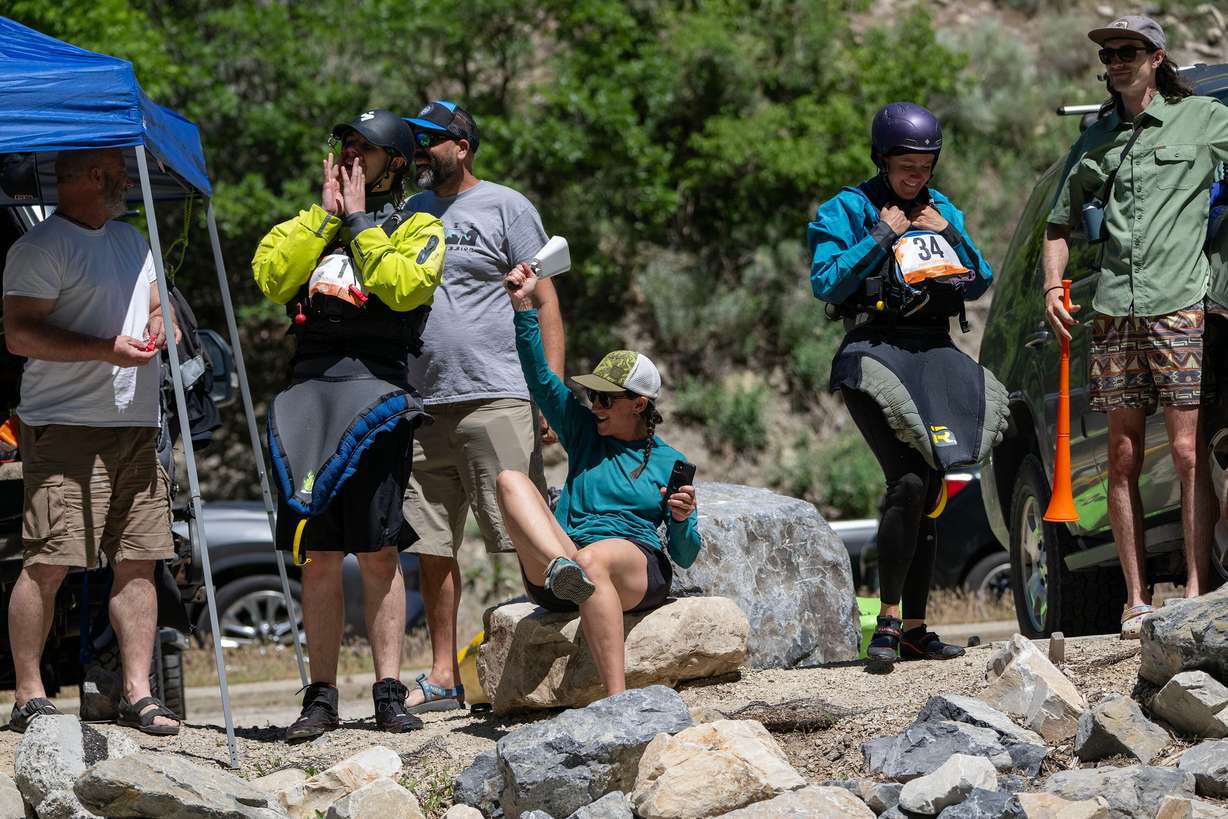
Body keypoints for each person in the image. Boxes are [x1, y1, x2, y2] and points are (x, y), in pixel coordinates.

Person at [251, 109, 444, 741]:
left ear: (394, 161)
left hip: (378, 395)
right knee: (321, 553)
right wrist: (327, 217)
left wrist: (361, 224)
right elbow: (272, 277)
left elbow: (406, 289)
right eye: (347, 147)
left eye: (366, 148)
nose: (354, 156)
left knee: (380, 547)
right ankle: (322, 695)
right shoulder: (307, 225)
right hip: (311, 393)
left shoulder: (420, 224)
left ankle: (390, 692)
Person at [1043, 16, 1228, 637]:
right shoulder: (1097, 139)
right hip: (1115, 310)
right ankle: (1136, 599)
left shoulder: (1202, 120)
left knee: (1185, 451)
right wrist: (1051, 284)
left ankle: (1200, 590)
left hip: (1180, 303)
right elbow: (1057, 221)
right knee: (1121, 456)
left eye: (1128, 51)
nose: (1116, 60)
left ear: (1157, 56)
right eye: (1109, 53)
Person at [809, 102, 1001, 665]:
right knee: (908, 482)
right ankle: (888, 621)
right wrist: (879, 234)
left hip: (933, 352)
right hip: (874, 349)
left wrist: (951, 235)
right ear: (882, 159)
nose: (916, 176)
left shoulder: (941, 208)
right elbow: (826, 281)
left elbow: (977, 281)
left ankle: (916, 628)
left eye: (925, 166)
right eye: (905, 166)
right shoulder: (845, 208)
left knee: (934, 484)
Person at [3, 148, 180, 734]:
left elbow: (162, 310)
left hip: (136, 424)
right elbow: (20, 333)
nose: (126, 182)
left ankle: (137, 691)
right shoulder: (39, 246)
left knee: (140, 560)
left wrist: (162, 324)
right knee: (49, 561)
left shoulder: (132, 240)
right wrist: (106, 349)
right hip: (66, 427)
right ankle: (29, 693)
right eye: (116, 174)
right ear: (87, 179)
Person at [398, 100, 565, 712]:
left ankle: (554, 657)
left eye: (430, 141)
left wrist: (548, 390)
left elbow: (545, 299)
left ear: (461, 147)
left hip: (497, 394)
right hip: (422, 404)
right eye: (414, 140)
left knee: (524, 532)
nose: (419, 151)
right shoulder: (409, 213)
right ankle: (443, 677)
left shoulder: (507, 205)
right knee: (432, 546)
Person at [498, 262, 700, 695]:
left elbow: (684, 554)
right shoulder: (584, 432)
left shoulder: (670, 461)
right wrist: (524, 309)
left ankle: (617, 699)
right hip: (566, 561)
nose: (595, 405)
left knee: (593, 562)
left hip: (633, 566)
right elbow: (541, 379)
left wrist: (682, 519)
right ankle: (562, 570)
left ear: (640, 404)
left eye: (606, 398)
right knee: (510, 481)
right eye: (592, 395)